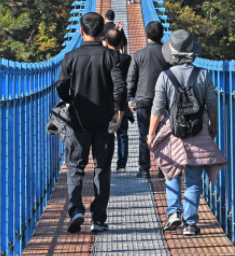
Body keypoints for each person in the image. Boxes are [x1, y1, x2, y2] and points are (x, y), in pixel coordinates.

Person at [148, 30, 226, 235]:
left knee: (171, 172)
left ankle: (173, 213)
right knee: (193, 180)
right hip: (198, 131)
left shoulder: (165, 76)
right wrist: (213, 126)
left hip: (173, 130)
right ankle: (190, 223)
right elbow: (211, 104)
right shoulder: (203, 74)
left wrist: (150, 133)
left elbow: (157, 109)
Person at [57, 12, 126, 234]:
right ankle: (98, 218)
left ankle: (76, 209)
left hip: (77, 121)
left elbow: (61, 87)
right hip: (104, 121)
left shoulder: (70, 56)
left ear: (81, 31)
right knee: (102, 169)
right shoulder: (111, 56)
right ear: (103, 33)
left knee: (75, 167)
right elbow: (120, 86)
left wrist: (69, 101)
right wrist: (119, 112)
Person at [127, 21, 168, 178]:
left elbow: (131, 79)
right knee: (163, 134)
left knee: (144, 134)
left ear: (146, 36)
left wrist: (131, 98)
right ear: (163, 35)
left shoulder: (138, 55)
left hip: (143, 99)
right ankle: (162, 169)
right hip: (164, 100)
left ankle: (144, 169)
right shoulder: (168, 55)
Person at [103, 28, 133, 171]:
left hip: (105, 100)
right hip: (122, 100)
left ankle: (105, 163)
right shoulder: (127, 59)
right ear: (121, 42)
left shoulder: (102, 58)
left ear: (106, 42)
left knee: (106, 134)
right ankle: (122, 164)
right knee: (122, 134)